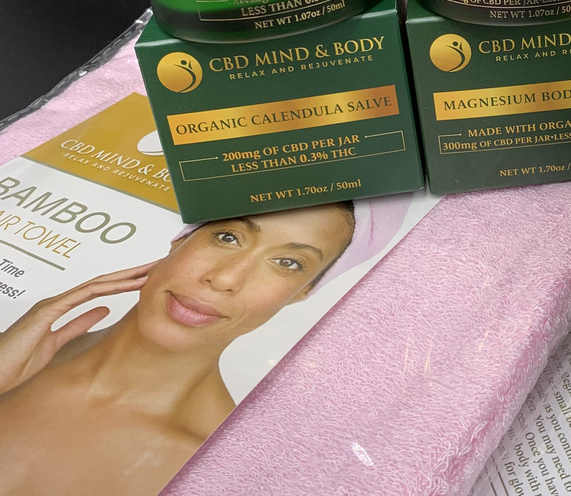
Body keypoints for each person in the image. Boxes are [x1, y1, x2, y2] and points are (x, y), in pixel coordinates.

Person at [0, 200, 356, 496]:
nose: (225, 278)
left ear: (304, 292)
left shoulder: (219, 470)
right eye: (228, 236)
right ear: (182, 238)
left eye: (288, 263)